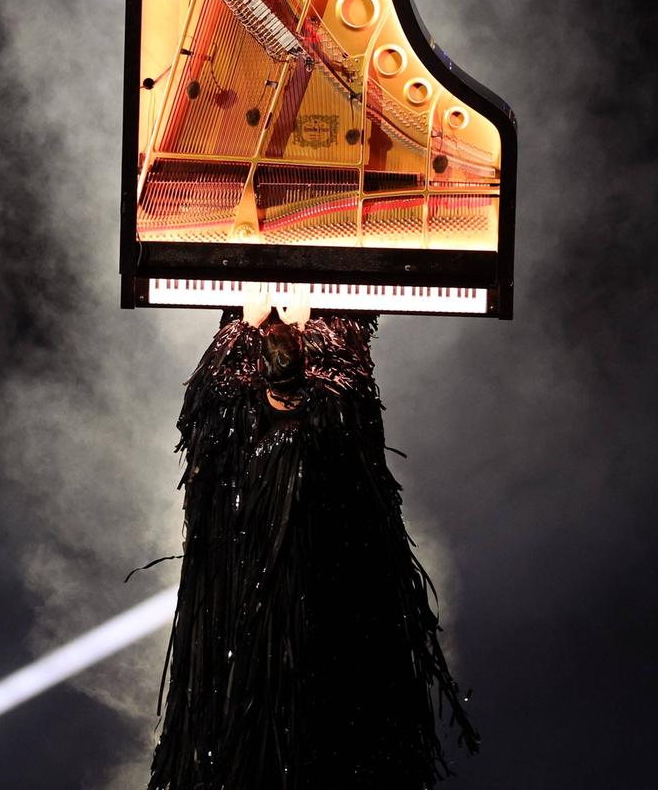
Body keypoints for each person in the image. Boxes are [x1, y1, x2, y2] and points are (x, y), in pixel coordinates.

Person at [147, 313, 478, 788]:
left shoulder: (237, 417)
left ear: (262, 374)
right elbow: (353, 383)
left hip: (252, 614)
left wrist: (242, 325)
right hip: (329, 601)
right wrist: (330, 326)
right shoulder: (335, 417)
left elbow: (207, 395)